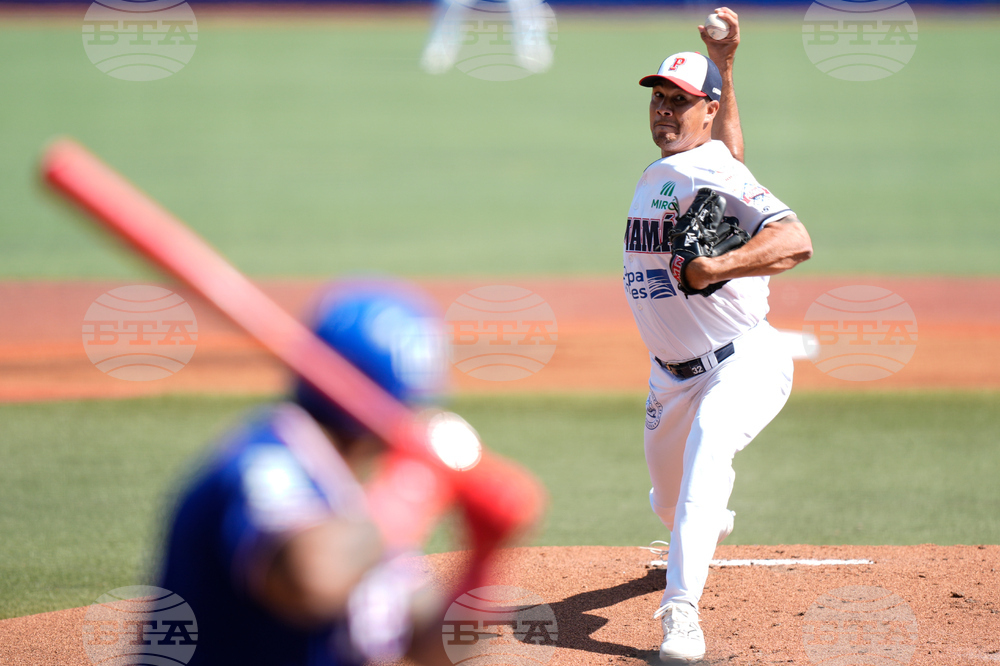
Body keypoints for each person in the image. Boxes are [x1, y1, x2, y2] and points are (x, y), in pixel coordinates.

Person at [622, 9, 814, 663]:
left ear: (705, 111)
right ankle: (703, 524)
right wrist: (725, 67)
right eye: (659, 97)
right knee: (668, 502)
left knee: (708, 456)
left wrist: (715, 267)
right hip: (669, 378)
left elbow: (795, 240)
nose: (664, 110)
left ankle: (681, 615)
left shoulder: (705, 169)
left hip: (743, 362)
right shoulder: (685, 166)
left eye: (680, 101)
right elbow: (729, 156)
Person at [157, 279, 454, 666]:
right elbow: (310, 579)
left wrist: (486, 549)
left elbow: (436, 649)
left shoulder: (353, 505)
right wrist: (406, 496)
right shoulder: (268, 458)